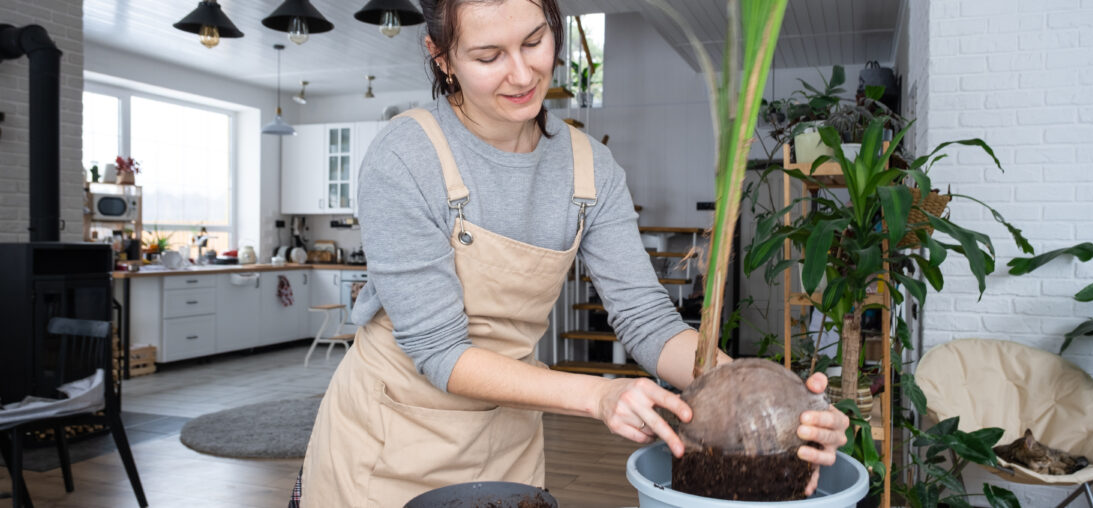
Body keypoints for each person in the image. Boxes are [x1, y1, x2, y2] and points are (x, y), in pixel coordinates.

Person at [295, 0, 849, 505]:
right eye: (489, 55)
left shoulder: (590, 169)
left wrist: (768, 401)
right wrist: (599, 396)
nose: (522, 73)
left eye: (535, 41)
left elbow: (646, 319)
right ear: (441, 57)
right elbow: (440, 350)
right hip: (388, 444)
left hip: (507, 438)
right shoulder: (405, 156)